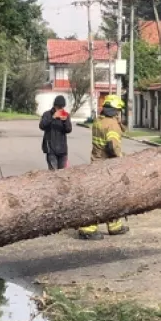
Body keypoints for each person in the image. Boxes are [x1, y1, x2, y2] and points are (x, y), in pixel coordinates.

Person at [77, 95, 129, 239]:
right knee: (100, 199)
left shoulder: (98, 122)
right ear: (115, 111)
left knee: (112, 197)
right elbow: (112, 146)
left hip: (96, 163)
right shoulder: (112, 125)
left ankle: (114, 225)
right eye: (118, 111)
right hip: (107, 167)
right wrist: (120, 160)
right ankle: (87, 228)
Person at [39, 95, 73, 170]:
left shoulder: (66, 115)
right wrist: (52, 118)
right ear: (55, 106)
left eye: (62, 107)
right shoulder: (47, 114)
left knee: (63, 173)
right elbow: (41, 126)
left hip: (62, 150)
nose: (60, 109)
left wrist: (64, 121)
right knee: (53, 174)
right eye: (59, 107)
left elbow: (69, 129)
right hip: (50, 149)